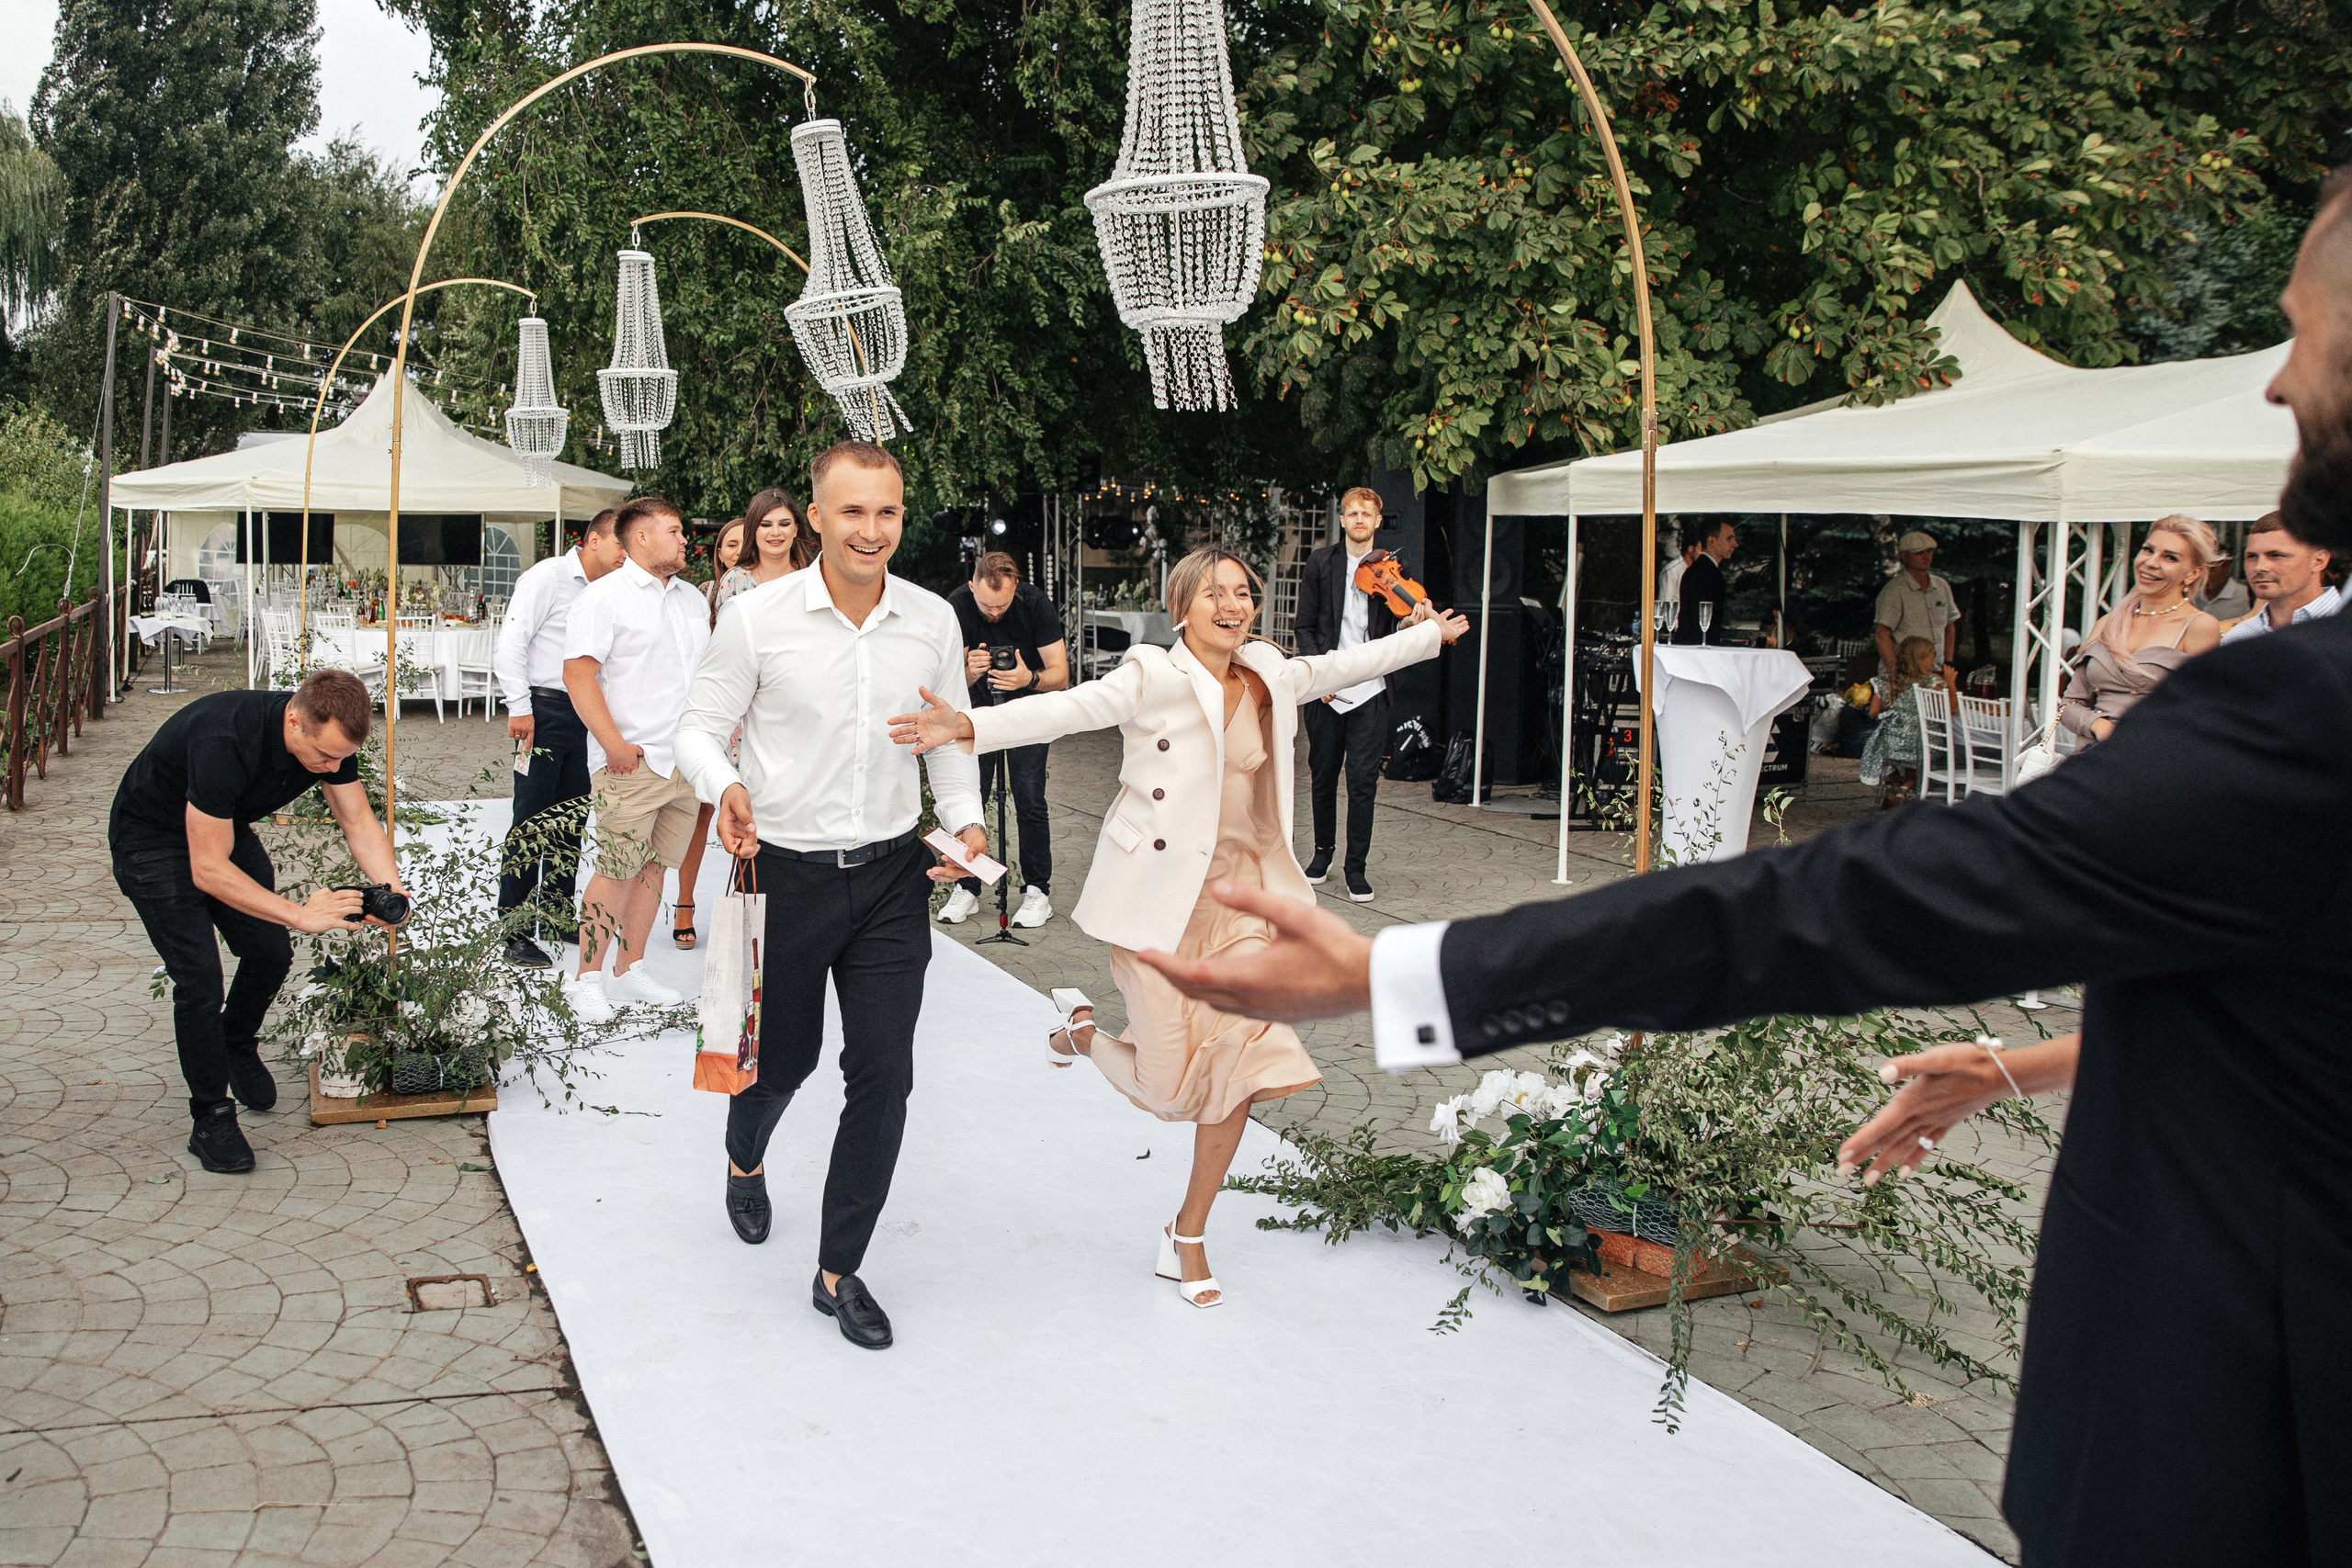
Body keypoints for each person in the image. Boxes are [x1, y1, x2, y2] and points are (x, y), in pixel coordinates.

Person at [1127, 164, 2352, 1562]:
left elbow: (1865, 898)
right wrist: (2038, 1060)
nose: (2273, 387)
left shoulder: (2305, 707)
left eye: (2307, 335)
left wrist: (1418, 972)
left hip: (2237, 1455)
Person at [888, 545, 1466, 1308]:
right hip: (1158, 900)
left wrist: (1430, 636)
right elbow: (1067, 708)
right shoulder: (1151, 674)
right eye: (1216, 594)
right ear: (1181, 607)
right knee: (1167, 1090)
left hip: (1243, 907)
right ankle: (1084, 1030)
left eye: (1243, 593)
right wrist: (965, 725)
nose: (1233, 606)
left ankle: (1187, 1231)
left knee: (1243, 1067)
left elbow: (1341, 665)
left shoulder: (1268, 672)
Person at [675, 440, 988, 1352]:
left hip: (892, 877)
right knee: (782, 1063)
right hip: (785, 872)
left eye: (886, 512)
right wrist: (724, 785)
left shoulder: (930, 620)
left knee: (884, 1074)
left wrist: (964, 827)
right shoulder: (758, 618)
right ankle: (744, 1156)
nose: (870, 529)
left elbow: (945, 742)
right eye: (852, 512)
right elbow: (697, 729)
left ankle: (838, 1271)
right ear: (814, 517)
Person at [109, 670, 408, 1173]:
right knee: (200, 978)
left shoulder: (327, 738)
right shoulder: (223, 739)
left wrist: (391, 890)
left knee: (270, 950)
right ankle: (210, 1116)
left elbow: (357, 820)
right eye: (326, 757)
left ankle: (235, 1043)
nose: (333, 767)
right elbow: (207, 869)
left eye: (341, 757)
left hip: (219, 827)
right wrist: (300, 913)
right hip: (151, 840)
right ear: (294, 721)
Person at [560, 497, 711, 1024]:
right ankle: (584, 977)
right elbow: (578, 675)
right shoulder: (606, 597)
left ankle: (631, 967)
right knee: (615, 870)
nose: (683, 539)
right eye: (673, 530)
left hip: (684, 760)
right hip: (633, 759)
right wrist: (615, 746)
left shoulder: (692, 599)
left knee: (655, 869)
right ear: (641, 538)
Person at [494, 508, 628, 968]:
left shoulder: (613, 590)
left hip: (587, 714)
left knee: (571, 820)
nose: (625, 556)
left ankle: (553, 913)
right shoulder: (548, 577)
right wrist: (519, 707)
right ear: (592, 539)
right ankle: (513, 928)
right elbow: (512, 641)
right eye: (619, 545)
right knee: (530, 818)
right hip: (543, 709)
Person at [939, 550, 1068, 928]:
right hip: (974, 715)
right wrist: (968, 672)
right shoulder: (957, 606)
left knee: (1029, 797)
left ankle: (1036, 890)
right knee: (969, 798)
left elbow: (1060, 674)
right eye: (986, 605)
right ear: (971, 585)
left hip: (1028, 713)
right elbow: (945, 687)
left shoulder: (1035, 603)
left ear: (1016, 588)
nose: (994, 613)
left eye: (1002, 604)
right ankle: (967, 885)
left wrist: (1027, 679)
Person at [1293, 485, 1401, 900]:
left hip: (1371, 689)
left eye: (1366, 514)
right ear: (1342, 519)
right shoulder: (1321, 562)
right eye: (1351, 513)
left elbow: (1396, 628)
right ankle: (1322, 856)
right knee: (1322, 776)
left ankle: (1357, 868)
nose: (1358, 520)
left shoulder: (1392, 567)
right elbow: (1304, 626)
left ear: (1377, 520)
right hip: (1327, 686)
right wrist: (1321, 676)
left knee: (1362, 783)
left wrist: (1416, 622)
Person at [2056, 515, 2223, 746]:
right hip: (2092, 759)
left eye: (2170, 557)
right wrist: (2100, 726)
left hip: (2155, 761)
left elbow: (2202, 714)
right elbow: (2069, 704)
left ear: (2192, 573)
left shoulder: (2199, 626)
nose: (2151, 562)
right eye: (2148, 550)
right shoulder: (2108, 623)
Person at [1855, 636, 1954, 807]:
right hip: (1924, 744)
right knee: (1921, 761)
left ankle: (1894, 786)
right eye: (1932, 656)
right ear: (1921, 660)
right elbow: (1952, 710)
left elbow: (1873, 711)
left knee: (1887, 751)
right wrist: (1951, 682)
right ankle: (1906, 788)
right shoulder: (1933, 683)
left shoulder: (1887, 681)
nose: (1934, 660)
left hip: (1891, 746)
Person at [2221, 508, 2339, 645]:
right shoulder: (2239, 637)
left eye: (2276, 555)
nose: (2260, 567)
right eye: (2252, 556)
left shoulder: (2344, 627)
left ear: (2319, 561)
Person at [1871, 530, 1961, 674]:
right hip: (1905, 671)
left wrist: (1948, 663)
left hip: (1936, 670)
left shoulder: (1942, 586)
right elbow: (1882, 635)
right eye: (1919, 553)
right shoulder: (1894, 591)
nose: (1926, 557)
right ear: (1904, 556)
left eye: (1929, 551)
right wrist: (1894, 671)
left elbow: (1950, 627)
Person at [713, 488, 812, 612]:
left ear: (795, 529)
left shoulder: (813, 577)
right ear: (753, 530)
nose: (776, 532)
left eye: (784, 524)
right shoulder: (734, 580)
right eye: (766, 525)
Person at [1672, 519, 1733, 645]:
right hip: (1699, 650)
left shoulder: (1697, 570)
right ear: (1711, 541)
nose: (1735, 544)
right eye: (1729, 539)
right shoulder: (1707, 574)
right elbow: (1702, 623)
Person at [2196, 550, 2253, 623]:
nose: (2206, 575)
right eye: (2202, 569)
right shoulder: (2191, 595)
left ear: (2226, 566)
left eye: (2212, 569)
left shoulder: (2244, 595)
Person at [1657, 530, 1698, 615]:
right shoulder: (1672, 570)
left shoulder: (1696, 571)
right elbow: (1664, 609)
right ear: (1691, 549)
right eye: (1701, 550)